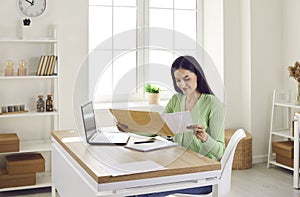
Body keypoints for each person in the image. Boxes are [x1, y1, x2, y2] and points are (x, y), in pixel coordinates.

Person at [122, 55, 225, 196]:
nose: (182, 85)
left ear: (198, 76)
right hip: (179, 168)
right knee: (133, 187)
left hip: (202, 178)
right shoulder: (176, 100)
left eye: (186, 78)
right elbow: (158, 129)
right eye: (178, 80)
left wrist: (205, 138)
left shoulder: (212, 103)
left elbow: (220, 152)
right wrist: (130, 128)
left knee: (142, 193)